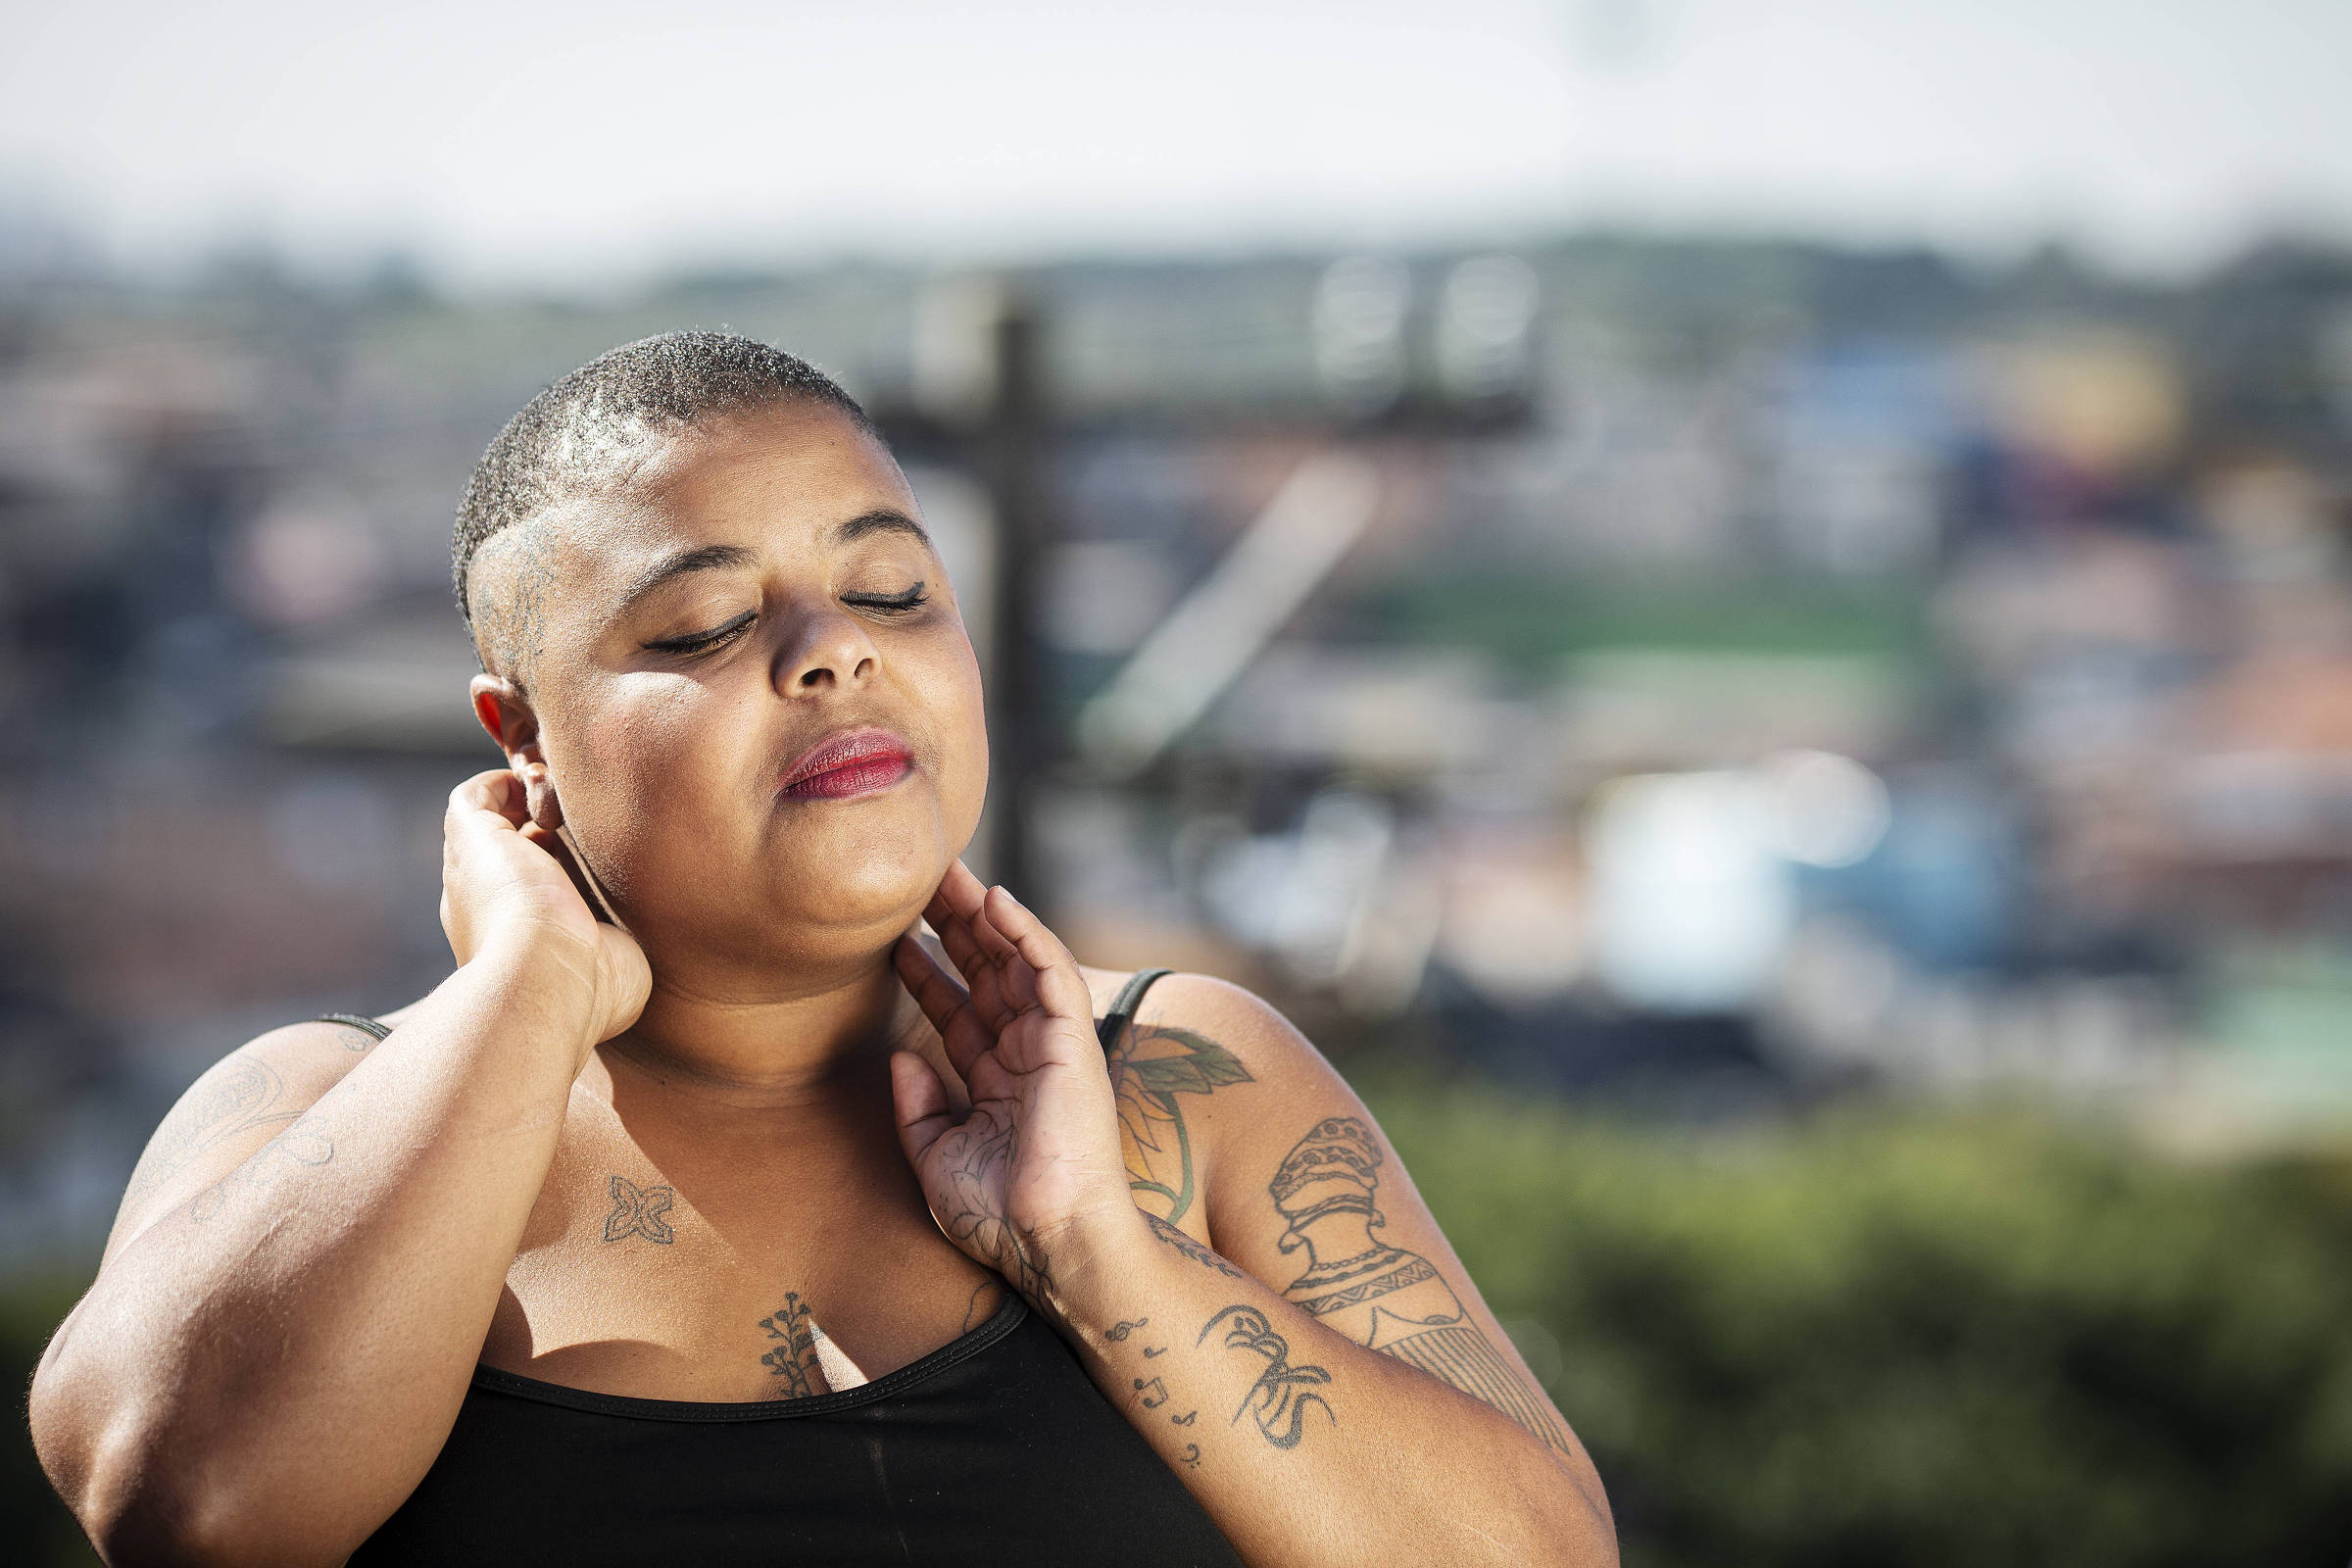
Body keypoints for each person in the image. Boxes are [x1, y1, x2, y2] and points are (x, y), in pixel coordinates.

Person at [29, 331, 1616, 1566]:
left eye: (891, 586)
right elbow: (190, 1507)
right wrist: (522, 999)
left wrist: (1100, 1248)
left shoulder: (1195, 1084)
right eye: (706, 624)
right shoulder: (317, 1108)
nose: (834, 646)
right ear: (524, 740)